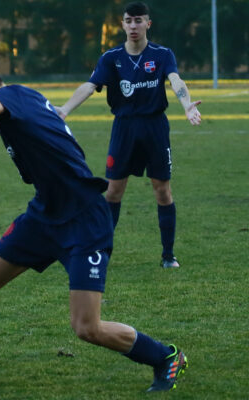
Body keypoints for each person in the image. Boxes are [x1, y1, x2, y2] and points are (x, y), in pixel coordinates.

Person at [0, 45, 188, 392]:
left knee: (87, 327)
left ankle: (165, 356)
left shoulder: (11, 97)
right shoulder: (23, 100)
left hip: (84, 218)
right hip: (44, 214)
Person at [55, 1, 202, 269]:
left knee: (162, 191)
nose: (133, 26)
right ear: (122, 24)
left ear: (148, 24)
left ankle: (168, 255)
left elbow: (175, 80)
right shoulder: (110, 58)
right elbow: (90, 86)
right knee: (113, 192)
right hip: (123, 128)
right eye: (128, 20)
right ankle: (103, 252)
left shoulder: (162, 54)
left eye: (138, 20)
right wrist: (64, 110)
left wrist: (186, 105)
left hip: (154, 128)